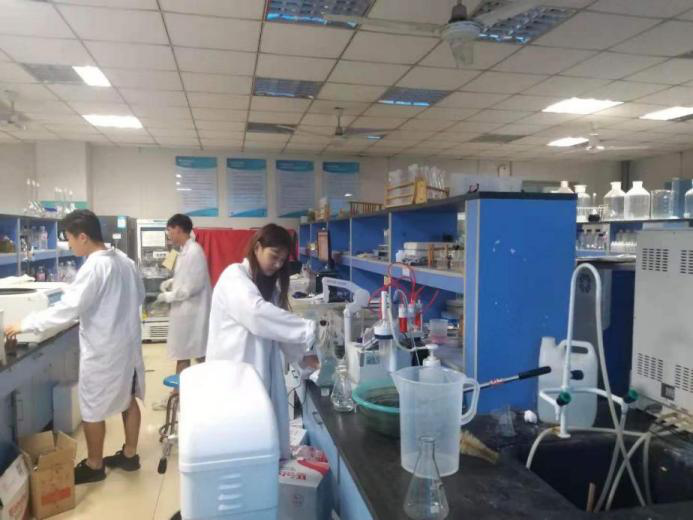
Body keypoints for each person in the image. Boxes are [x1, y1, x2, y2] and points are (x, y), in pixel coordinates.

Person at [3, 210, 145, 485]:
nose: (69, 245)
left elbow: (68, 310)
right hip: (127, 346)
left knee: (92, 408)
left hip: (104, 350)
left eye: (69, 239)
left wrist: (25, 324)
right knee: (128, 398)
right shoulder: (124, 260)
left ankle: (94, 465)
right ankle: (130, 455)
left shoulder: (94, 267)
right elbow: (138, 296)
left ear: (83, 237)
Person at [206, 224, 319, 460]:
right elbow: (257, 315)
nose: (277, 264)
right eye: (274, 256)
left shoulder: (269, 288)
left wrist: (305, 359)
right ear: (257, 247)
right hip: (235, 375)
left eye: (282, 260)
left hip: (259, 375)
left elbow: (278, 331)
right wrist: (307, 329)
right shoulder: (234, 277)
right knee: (240, 444)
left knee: (261, 442)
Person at [157, 214, 211, 375]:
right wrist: (172, 281)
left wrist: (170, 296)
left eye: (169, 230)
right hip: (185, 312)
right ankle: (180, 388)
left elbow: (194, 286)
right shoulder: (184, 250)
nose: (168, 234)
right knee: (184, 353)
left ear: (178, 229)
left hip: (193, 313)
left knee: (196, 354)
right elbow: (188, 276)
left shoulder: (194, 251)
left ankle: (193, 386)